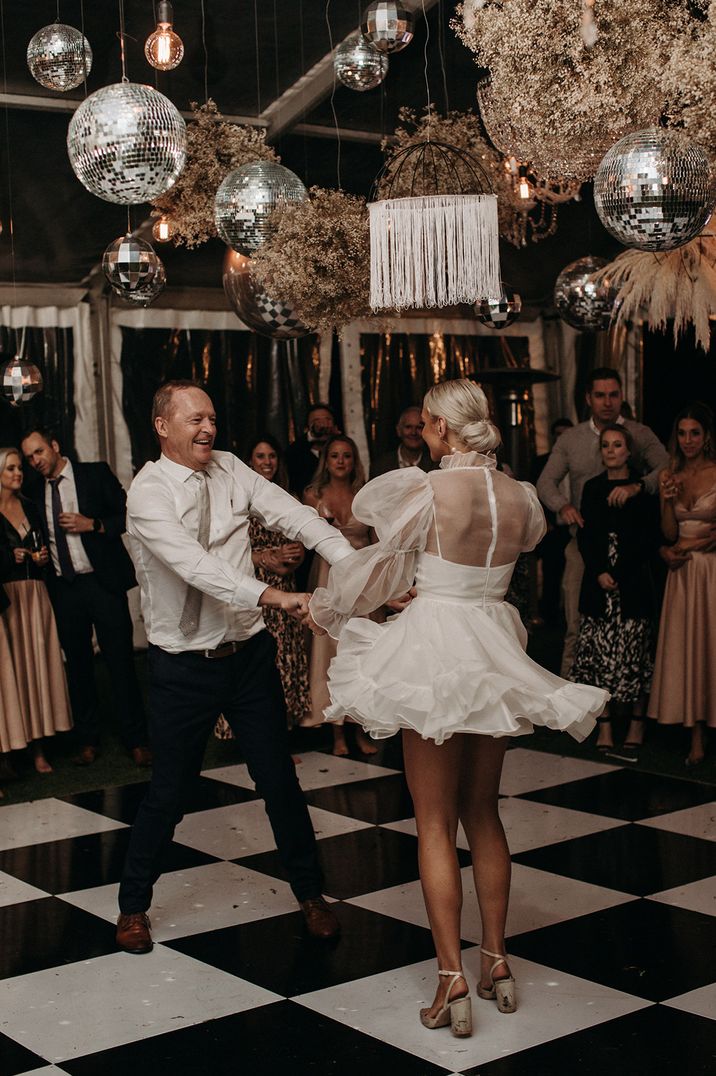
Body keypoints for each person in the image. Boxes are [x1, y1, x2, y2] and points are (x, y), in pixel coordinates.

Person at [308, 379, 607, 1036]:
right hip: (494, 639)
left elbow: (379, 565)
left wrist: (344, 602)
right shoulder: (522, 496)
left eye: (428, 423)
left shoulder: (429, 489)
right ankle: (496, 961)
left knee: (435, 823)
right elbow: (514, 553)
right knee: (485, 812)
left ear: (442, 430)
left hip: (437, 645)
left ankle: (451, 981)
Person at [115, 380, 355, 955]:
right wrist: (278, 599)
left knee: (279, 779)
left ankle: (310, 894)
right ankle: (132, 906)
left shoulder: (229, 467)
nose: (207, 430)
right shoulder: (147, 494)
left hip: (246, 657)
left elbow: (293, 514)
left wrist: (352, 566)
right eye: (195, 420)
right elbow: (198, 567)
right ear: (162, 426)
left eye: (213, 419)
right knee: (168, 793)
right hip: (182, 667)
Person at [20, 428, 151, 767]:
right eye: (29, 457)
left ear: (55, 446)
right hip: (64, 589)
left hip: (102, 584)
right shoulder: (33, 491)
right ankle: (88, 740)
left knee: (120, 662)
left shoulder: (94, 473)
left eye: (38, 452)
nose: (35, 461)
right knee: (77, 667)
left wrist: (92, 524)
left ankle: (136, 739)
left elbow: (128, 515)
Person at [537, 368, 668, 677]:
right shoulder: (572, 438)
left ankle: (621, 703)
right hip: (583, 543)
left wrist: (639, 486)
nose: (607, 402)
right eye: (600, 395)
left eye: (613, 395)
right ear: (588, 398)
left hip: (631, 550)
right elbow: (545, 483)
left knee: (632, 626)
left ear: (622, 396)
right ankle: (571, 707)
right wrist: (564, 506)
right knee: (575, 626)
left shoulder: (640, 433)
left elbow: (666, 468)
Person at [570, 426, 660, 755]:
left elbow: (647, 539)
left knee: (635, 654)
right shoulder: (592, 488)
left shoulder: (641, 488)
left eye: (617, 445)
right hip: (598, 584)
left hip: (632, 582)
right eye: (605, 445)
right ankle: (605, 727)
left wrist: (618, 573)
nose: (611, 450)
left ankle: (637, 722)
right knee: (596, 654)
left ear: (628, 450)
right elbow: (586, 535)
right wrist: (599, 572)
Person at [214, 435, 309, 733]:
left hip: (285, 586)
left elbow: (300, 548)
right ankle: (252, 732)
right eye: (260, 456)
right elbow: (224, 555)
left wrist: (294, 556)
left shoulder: (289, 498)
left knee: (285, 660)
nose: (267, 462)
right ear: (249, 461)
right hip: (251, 589)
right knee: (256, 664)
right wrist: (267, 556)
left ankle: (282, 729)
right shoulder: (235, 499)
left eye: (272, 456)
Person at [648, 403, 716, 765]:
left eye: (695, 433)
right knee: (689, 649)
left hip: (711, 572)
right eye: (682, 433)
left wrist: (698, 544)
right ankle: (695, 735)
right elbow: (669, 531)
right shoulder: (668, 475)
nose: (688, 440)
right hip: (683, 575)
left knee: (711, 648)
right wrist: (668, 502)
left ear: (706, 437)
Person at [302, 434, 377, 756]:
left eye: (347, 455)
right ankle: (336, 734)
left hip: (361, 580)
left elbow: (376, 540)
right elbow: (306, 539)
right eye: (335, 455)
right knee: (329, 653)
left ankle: (359, 727)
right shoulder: (312, 495)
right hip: (329, 577)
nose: (341, 461)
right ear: (326, 460)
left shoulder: (365, 495)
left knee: (361, 654)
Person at [0, 447, 72, 774]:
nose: (18, 473)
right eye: (11, 468)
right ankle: (11, 752)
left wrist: (40, 558)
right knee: (12, 674)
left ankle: (40, 749)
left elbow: (45, 543)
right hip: (7, 599)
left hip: (35, 593)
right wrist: (8, 558)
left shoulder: (30, 505)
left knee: (38, 668)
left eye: (19, 468)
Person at [531, 418, 573, 625]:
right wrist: (546, 522)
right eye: (559, 433)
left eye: (567, 433)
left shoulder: (579, 460)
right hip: (553, 527)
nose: (563, 437)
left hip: (576, 525)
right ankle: (549, 616)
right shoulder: (542, 462)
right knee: (552, 574)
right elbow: (534, 494)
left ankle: (572, 616)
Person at [285, 403, 340, 497]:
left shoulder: (342, 452)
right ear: (307, 428)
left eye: (327, 420)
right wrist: (313, 435)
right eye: (316, 421)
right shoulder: (296, 454)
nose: (323, 425)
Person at [371, 405, 438, 477]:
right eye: (408, 427)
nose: (413, 433)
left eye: (419, 427)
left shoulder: (436, 465)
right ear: (399, 430)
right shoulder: (380, 466)